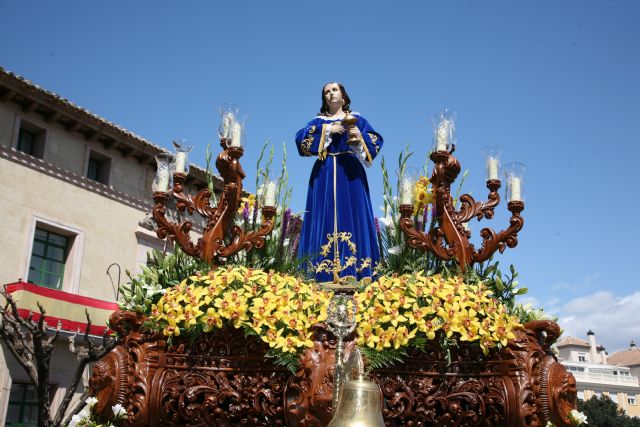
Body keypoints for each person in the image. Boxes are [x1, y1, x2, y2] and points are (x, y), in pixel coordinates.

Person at [295, 82, 383, 285]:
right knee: (323, 215)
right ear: (324, 99)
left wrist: (358, 136)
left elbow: (375, 141)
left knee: (354, 214)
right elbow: (301, 140)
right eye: (327, 92)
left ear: (344, 96)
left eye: (334, 90)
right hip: (324, 173)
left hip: (350, 172)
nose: (331, 94)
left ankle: (357, 270)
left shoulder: (357, 119)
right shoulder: (319, 121)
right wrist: (327, 129)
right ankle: (321, 273)